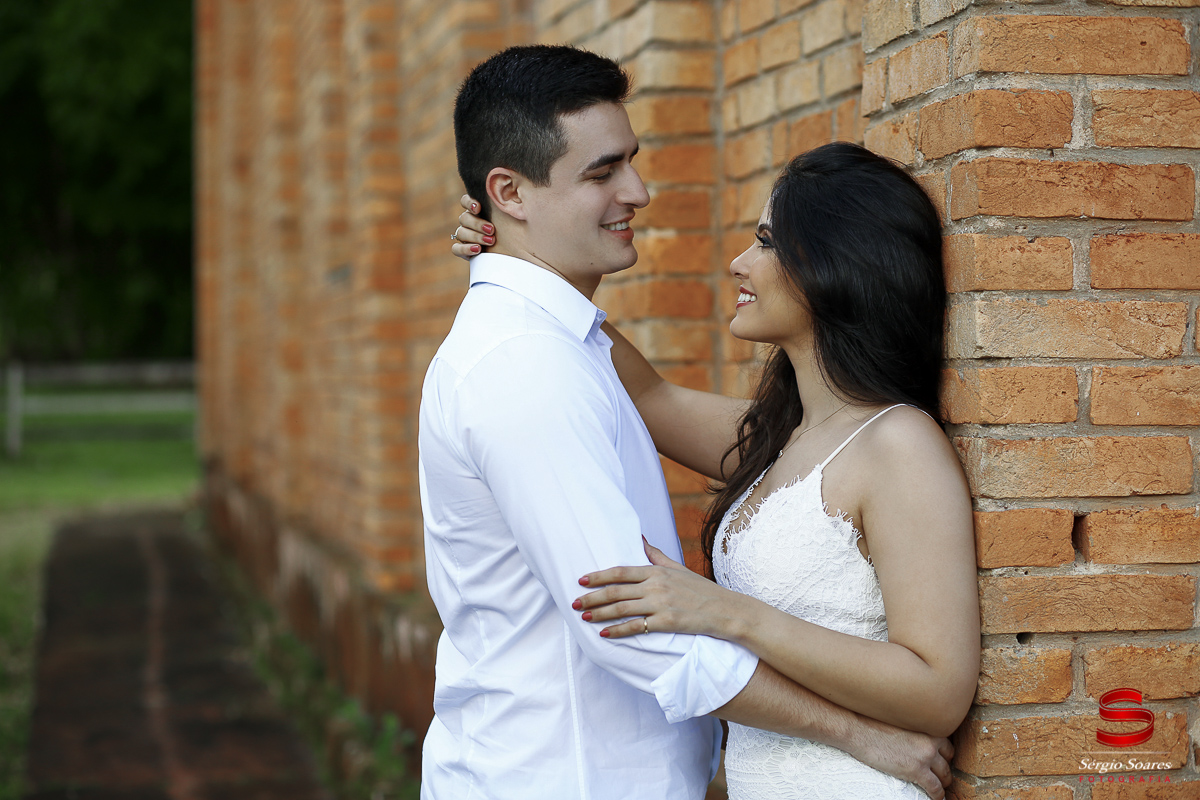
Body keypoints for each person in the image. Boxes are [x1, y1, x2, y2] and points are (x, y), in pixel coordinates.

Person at [426, 44, 955, 800]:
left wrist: (514, 257)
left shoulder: (869, 444)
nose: (638, 191)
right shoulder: (527, 365)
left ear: (843, 270)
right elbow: (632, 629)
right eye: (603, 171)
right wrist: (510, 263)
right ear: (509, 191)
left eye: (767, 242)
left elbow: (647, 397)